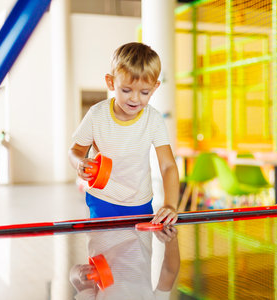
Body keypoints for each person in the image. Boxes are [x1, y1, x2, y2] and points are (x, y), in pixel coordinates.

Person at [68, 42, 178, 225]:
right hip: (102, 198)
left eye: (144, 92)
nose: (135, 98)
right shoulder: (97, 114)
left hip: (140, 202)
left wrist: (170, 205)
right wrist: (79, 162)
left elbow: (167, 166)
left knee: (138, 253)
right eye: (126, 90)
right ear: (111, 82)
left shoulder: (154, 119)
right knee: (103, 250)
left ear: (155, 87)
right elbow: (75, 151)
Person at [69, 226, 180, 299]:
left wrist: (79, 273)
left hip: (100, 227)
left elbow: (75, 280)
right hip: (137, 224)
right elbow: (169, 272)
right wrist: (171, 240)